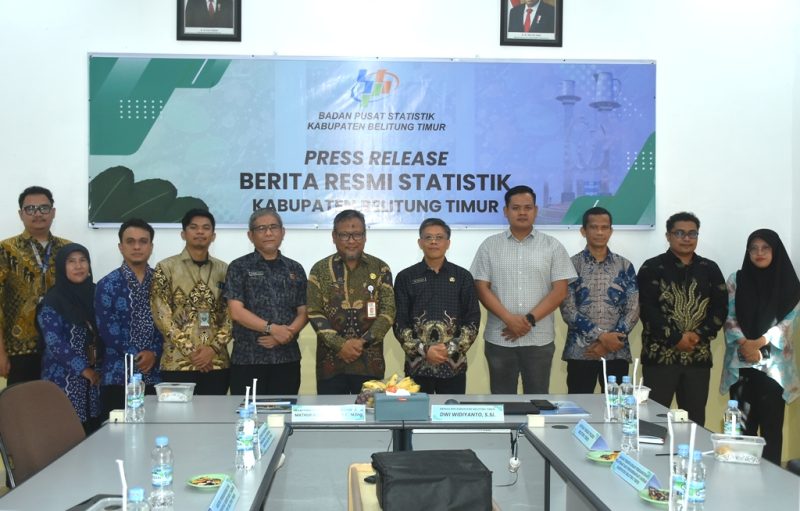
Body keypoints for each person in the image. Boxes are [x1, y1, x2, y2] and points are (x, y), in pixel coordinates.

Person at [471, 185, 576, 394]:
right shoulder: (489, 246)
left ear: (535, 211)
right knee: (502, 402)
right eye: (516, 208)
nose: (522, 212)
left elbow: (560, 291)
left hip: (539, 339)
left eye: (527, 208)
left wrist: (528, 320)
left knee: (537, 401)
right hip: (500, 338)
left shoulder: (553, 246)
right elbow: (481, 287)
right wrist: (509, 319)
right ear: (506, 211)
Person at [637, 212, 726, 426]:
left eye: (692, 233)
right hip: (660, 358)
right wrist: (676, 338)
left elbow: (720, 308)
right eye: (679, 233)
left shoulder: (710, 269)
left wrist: (698, 335)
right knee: (653, 422)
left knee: (694, 422)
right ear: (668, 236)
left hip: (697, 358)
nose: (686, 238)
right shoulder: (652, 267)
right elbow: (647, 309)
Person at [720, 229, 800, 465]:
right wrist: (745, 344)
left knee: (772, 430)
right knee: (741, 428)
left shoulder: (790, 284)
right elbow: (729, 316)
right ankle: (741, 480)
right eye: (753, 248)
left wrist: (759, 343)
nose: (759, 253)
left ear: (776, 251)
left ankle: (771, 480)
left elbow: (788, 323)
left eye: (765, 248)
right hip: (742, 363)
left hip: (774, 369)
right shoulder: (736, 280)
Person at [307, 210, 395, 395]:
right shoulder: (319, 269)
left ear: (365, 236)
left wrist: (362, 342)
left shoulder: (381, 268)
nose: (351, 240)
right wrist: (340, 345)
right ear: (334, 237)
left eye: (357, 234)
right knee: (331, 412)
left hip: (370, 364)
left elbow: (388, 312)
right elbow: (314, 312)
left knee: (369, 412)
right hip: (330, 364)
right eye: (344, 235)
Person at [225, 209, 308, 396]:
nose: (268, 233)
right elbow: (236, 312)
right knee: (247, 411)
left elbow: (304, 311)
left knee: (284, 411)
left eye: (273, 227)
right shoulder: (239, 267)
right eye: (261, 229)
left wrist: (285, 334)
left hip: (287, 358)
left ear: (283, 232)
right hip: (248, 360)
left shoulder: (295, 268)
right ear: (250, 235)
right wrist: (272, 329)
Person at [393, 218, 480, 394]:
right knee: (417, 412)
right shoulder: (405, 277)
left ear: (448, 243)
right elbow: (399, 322)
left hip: (453, 366)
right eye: (428, 237)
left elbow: (472, 320)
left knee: (451, 411)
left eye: (439, 237)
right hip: (417, 367)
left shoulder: (463, 277)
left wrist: (449, 349)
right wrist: (424, 350)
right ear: (420, 243)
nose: (433, 242)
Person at [151, 209, 232, 395]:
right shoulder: (165, 268)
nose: (200, 232)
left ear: (213, 235)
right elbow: (161, 315)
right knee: (176, 414)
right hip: (177, 362)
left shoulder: (225, 270)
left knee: (215, 413)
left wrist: (212, 349)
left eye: (206, 228)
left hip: (216, 362)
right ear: (183, 234)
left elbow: (232, 314)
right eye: (194, 227)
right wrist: (191, 351)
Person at [560, 207, 639, 393]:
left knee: (617, 406)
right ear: (583, 231)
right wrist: (602, 337)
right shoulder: (570, 265)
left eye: (604, 227)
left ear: (611, 231)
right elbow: (568, 309)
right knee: (579, 407)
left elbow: (633, 308)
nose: (600, 232)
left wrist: (610, 342)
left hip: (617, 352)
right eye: (594, 227)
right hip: (581, 352)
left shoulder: (624, 265)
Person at [0, 186, 70, 385]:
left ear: (53, 212)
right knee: (23, 403)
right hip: (20, 350)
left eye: (44, 208)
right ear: (21, 214)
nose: (37, 214)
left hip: (63, 348)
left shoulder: (68, 250)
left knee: (58, 403)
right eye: (30, 209)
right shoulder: (5, 250)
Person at [95, 219, 163, 417]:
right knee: (116, 433)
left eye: (143, 241)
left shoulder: (162, 282)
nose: (137, 247)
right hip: (118, 375)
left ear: (151, 247)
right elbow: (107, 329)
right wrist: (138, 355)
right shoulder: (107, 284)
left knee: (155, 430)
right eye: (130, 241)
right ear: (121, 247)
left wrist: (154, 352)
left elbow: (168, 324)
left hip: (155, 375)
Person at [37, 244, 102, 434]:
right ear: (61, 267)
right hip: (63, 378)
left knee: (94, 433)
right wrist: (83, 369)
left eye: (83, 260)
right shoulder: (53, 300)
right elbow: (54, 341)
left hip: (95, 379)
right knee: (68, 434)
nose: (78, 266)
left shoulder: (98, 293)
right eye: (71, 261)